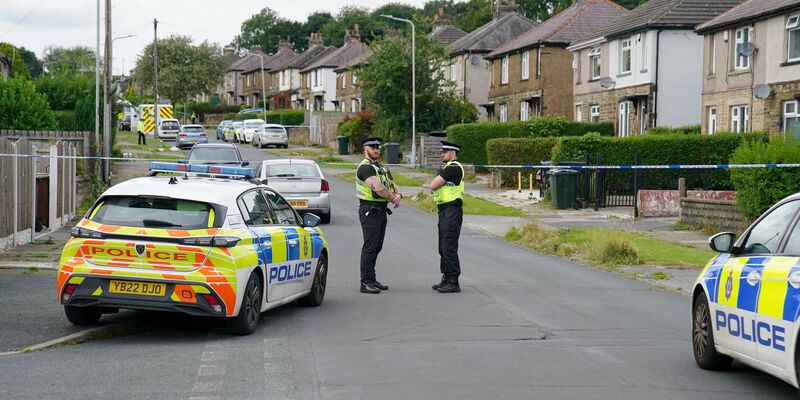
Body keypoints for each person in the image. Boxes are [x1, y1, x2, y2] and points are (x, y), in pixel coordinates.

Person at [355, 137, 402, 294]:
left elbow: (391, 183)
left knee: (377, 246)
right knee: (370, 246)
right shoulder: (365, 168)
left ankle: (372, 278)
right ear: (365, 149)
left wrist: (398, 193)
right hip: (370, 210)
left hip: (381, 210)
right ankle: (365, 282)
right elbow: (378, 188)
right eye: (372, 147)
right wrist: (393, 198)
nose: (376, 150)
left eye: (378, 147)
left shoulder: (380, 167)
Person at [428, 141, 464, 293]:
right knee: (443, 247)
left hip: (451, 211)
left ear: (452, 153)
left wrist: (436, 181)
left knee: (449, 247)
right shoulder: (448, 168)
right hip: (444, 211)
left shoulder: (454, 168)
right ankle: (446, 278)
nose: (441, 154)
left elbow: (433, 184)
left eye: (444, 151)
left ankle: (453, 281)